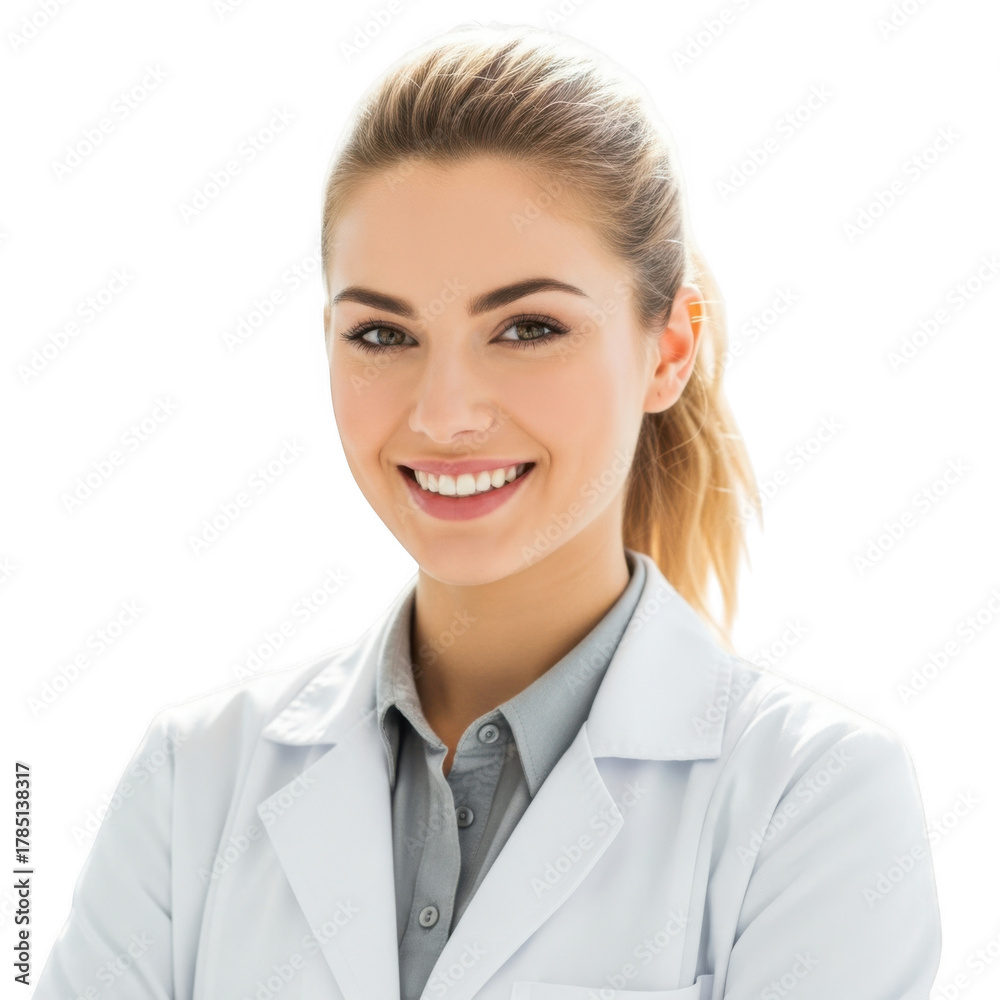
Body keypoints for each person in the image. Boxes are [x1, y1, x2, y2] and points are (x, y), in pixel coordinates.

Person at [34, 22, 942, 1000]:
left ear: (668, 349)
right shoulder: (192, 782)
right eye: (383, 334)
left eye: (527, 327)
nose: (443, 414)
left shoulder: (813, 798)